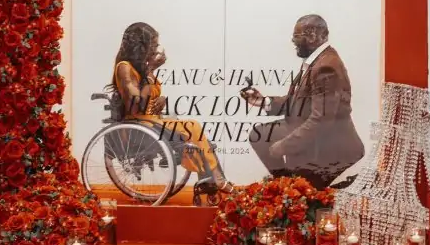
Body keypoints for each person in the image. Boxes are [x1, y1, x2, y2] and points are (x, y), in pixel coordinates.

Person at [109, 22, 234, 196]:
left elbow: (148, 95)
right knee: (192, 128)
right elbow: (137, 104)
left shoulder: (139, 68)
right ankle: (215, 178)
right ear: (141, 46)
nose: (156, 49)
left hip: (151, 121)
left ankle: (211, 178)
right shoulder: (124, 67)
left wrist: (160, 99)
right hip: (139, 126)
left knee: (193, 128)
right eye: (153, 45)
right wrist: (151, 69)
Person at [241, 15, 364, 190]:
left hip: (331, 146)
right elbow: (298, 101)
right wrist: (263, 102)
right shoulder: (317, 60)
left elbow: (320, 122)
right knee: (259, 135)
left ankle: (296, 190)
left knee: (305, 192)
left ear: (312, 36)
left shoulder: (326, 67)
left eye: (296, 36)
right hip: (315, 132)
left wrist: (284, 146)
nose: (293, 41)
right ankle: (288, 187)